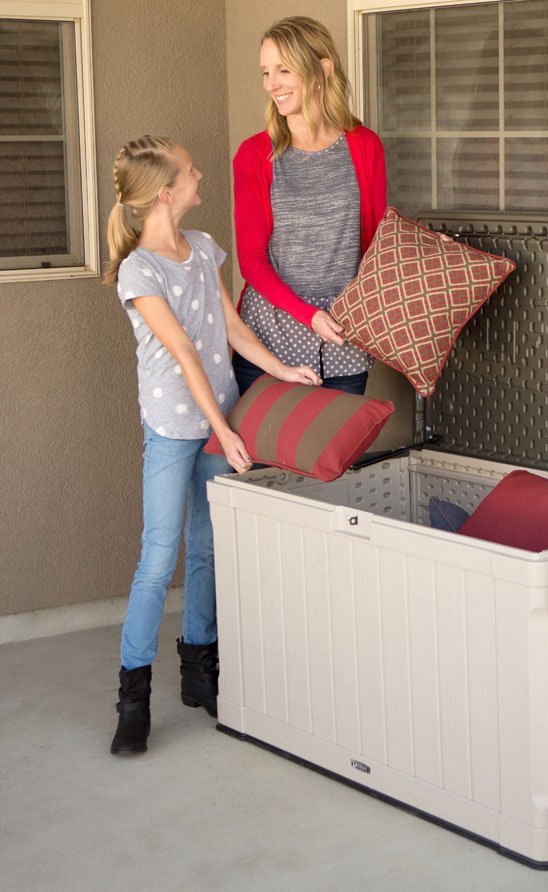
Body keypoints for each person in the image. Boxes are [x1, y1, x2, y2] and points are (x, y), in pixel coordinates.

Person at [105, 135, 321, 756]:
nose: (202, 175)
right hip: (177, 428)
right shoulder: (139, 269)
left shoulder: (201, 248)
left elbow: (227, 326)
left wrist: (280, 370)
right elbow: (183, 351)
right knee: (159, 555)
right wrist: (222, 431)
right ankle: (133, 697)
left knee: (207, 546)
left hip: (218, 416)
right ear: (167, 193)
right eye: (192, 170)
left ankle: (200, 671)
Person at [232, 15, 387, 397]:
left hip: (342, 339)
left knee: (333, 455)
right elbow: (251, 259)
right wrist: (309, 316)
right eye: (266, 72)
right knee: (258, 454)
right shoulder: (255, 155)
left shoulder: (364, 146)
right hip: (270, 340)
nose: (272, 84)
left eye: (284, 69)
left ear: (322, 69)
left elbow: (374, 245)